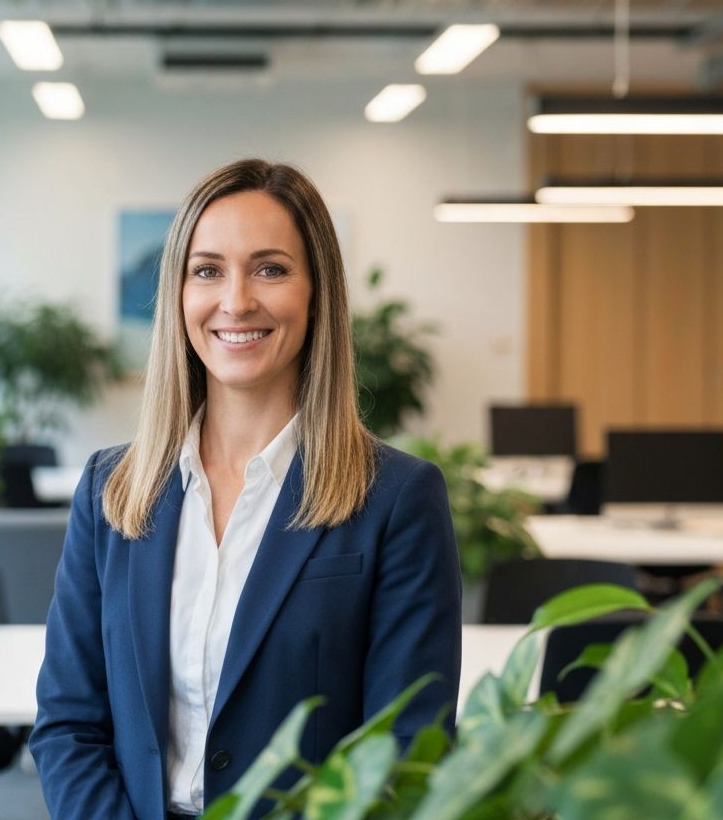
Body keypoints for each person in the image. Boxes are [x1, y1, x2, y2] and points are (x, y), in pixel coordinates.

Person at [29, 159, 461, 820]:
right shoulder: (110, 491)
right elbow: (69, 726)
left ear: (318, 292)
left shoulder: (398, 499)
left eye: (271, 268)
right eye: (207, 270)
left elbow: (405, 755)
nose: (235, 301)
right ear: (178, 294)